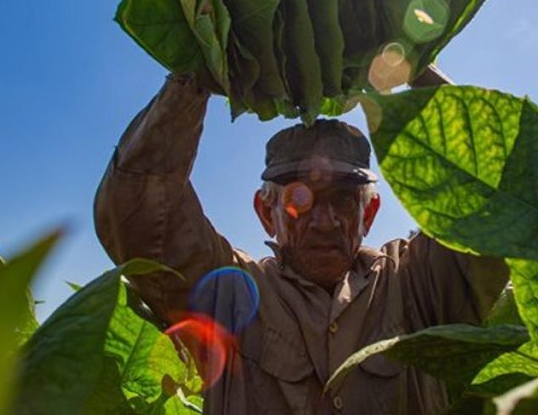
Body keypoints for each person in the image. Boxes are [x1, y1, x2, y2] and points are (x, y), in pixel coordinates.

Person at [94, 74, 509, 414]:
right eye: (299, 198)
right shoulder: (231, 291)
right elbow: (138, 211)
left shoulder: (415, 284)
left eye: (344, 199)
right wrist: (192, 79)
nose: (324, 222)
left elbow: (506, 201)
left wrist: (415, 68)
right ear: (264, 210)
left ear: (368, 213)